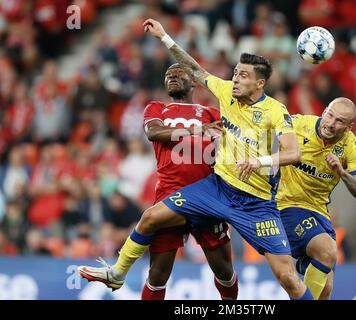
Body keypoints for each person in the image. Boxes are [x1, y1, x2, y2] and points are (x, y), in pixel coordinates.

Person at [78, 18, 313, 300]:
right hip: (212, 190)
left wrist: (259, 161)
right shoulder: (208, 97)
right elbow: (192, 71)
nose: (235, 79)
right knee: (153, 242)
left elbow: (293, 152)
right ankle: (117, 273)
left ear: (260, 82)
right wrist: (164, 37)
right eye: (235, 73)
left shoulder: (271, 111)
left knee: (278, 276)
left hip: (254, 201)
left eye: (242, 76)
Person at [140, 63, 237, 300]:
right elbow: (154, 133)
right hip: (169, 197)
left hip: (206, 196)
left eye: (177, 74)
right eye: (167, 75)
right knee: (158, 273)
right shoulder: (156, 108)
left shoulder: (211, 112)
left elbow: (230, 145)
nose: (171, 77)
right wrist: (196, 132)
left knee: (224, 270)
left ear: (194, 82)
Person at [277, 97, 356, 299]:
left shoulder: (350, 147)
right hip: (287, 204)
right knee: (328, 251)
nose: (330, 124)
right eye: (330, 115)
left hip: (319, 212)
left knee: (326, 287)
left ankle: (305, 264)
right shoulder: (298, 124)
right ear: (323, 111)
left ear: (348, 127)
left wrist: (342, 172)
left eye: (339, 121)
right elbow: (259, 132)